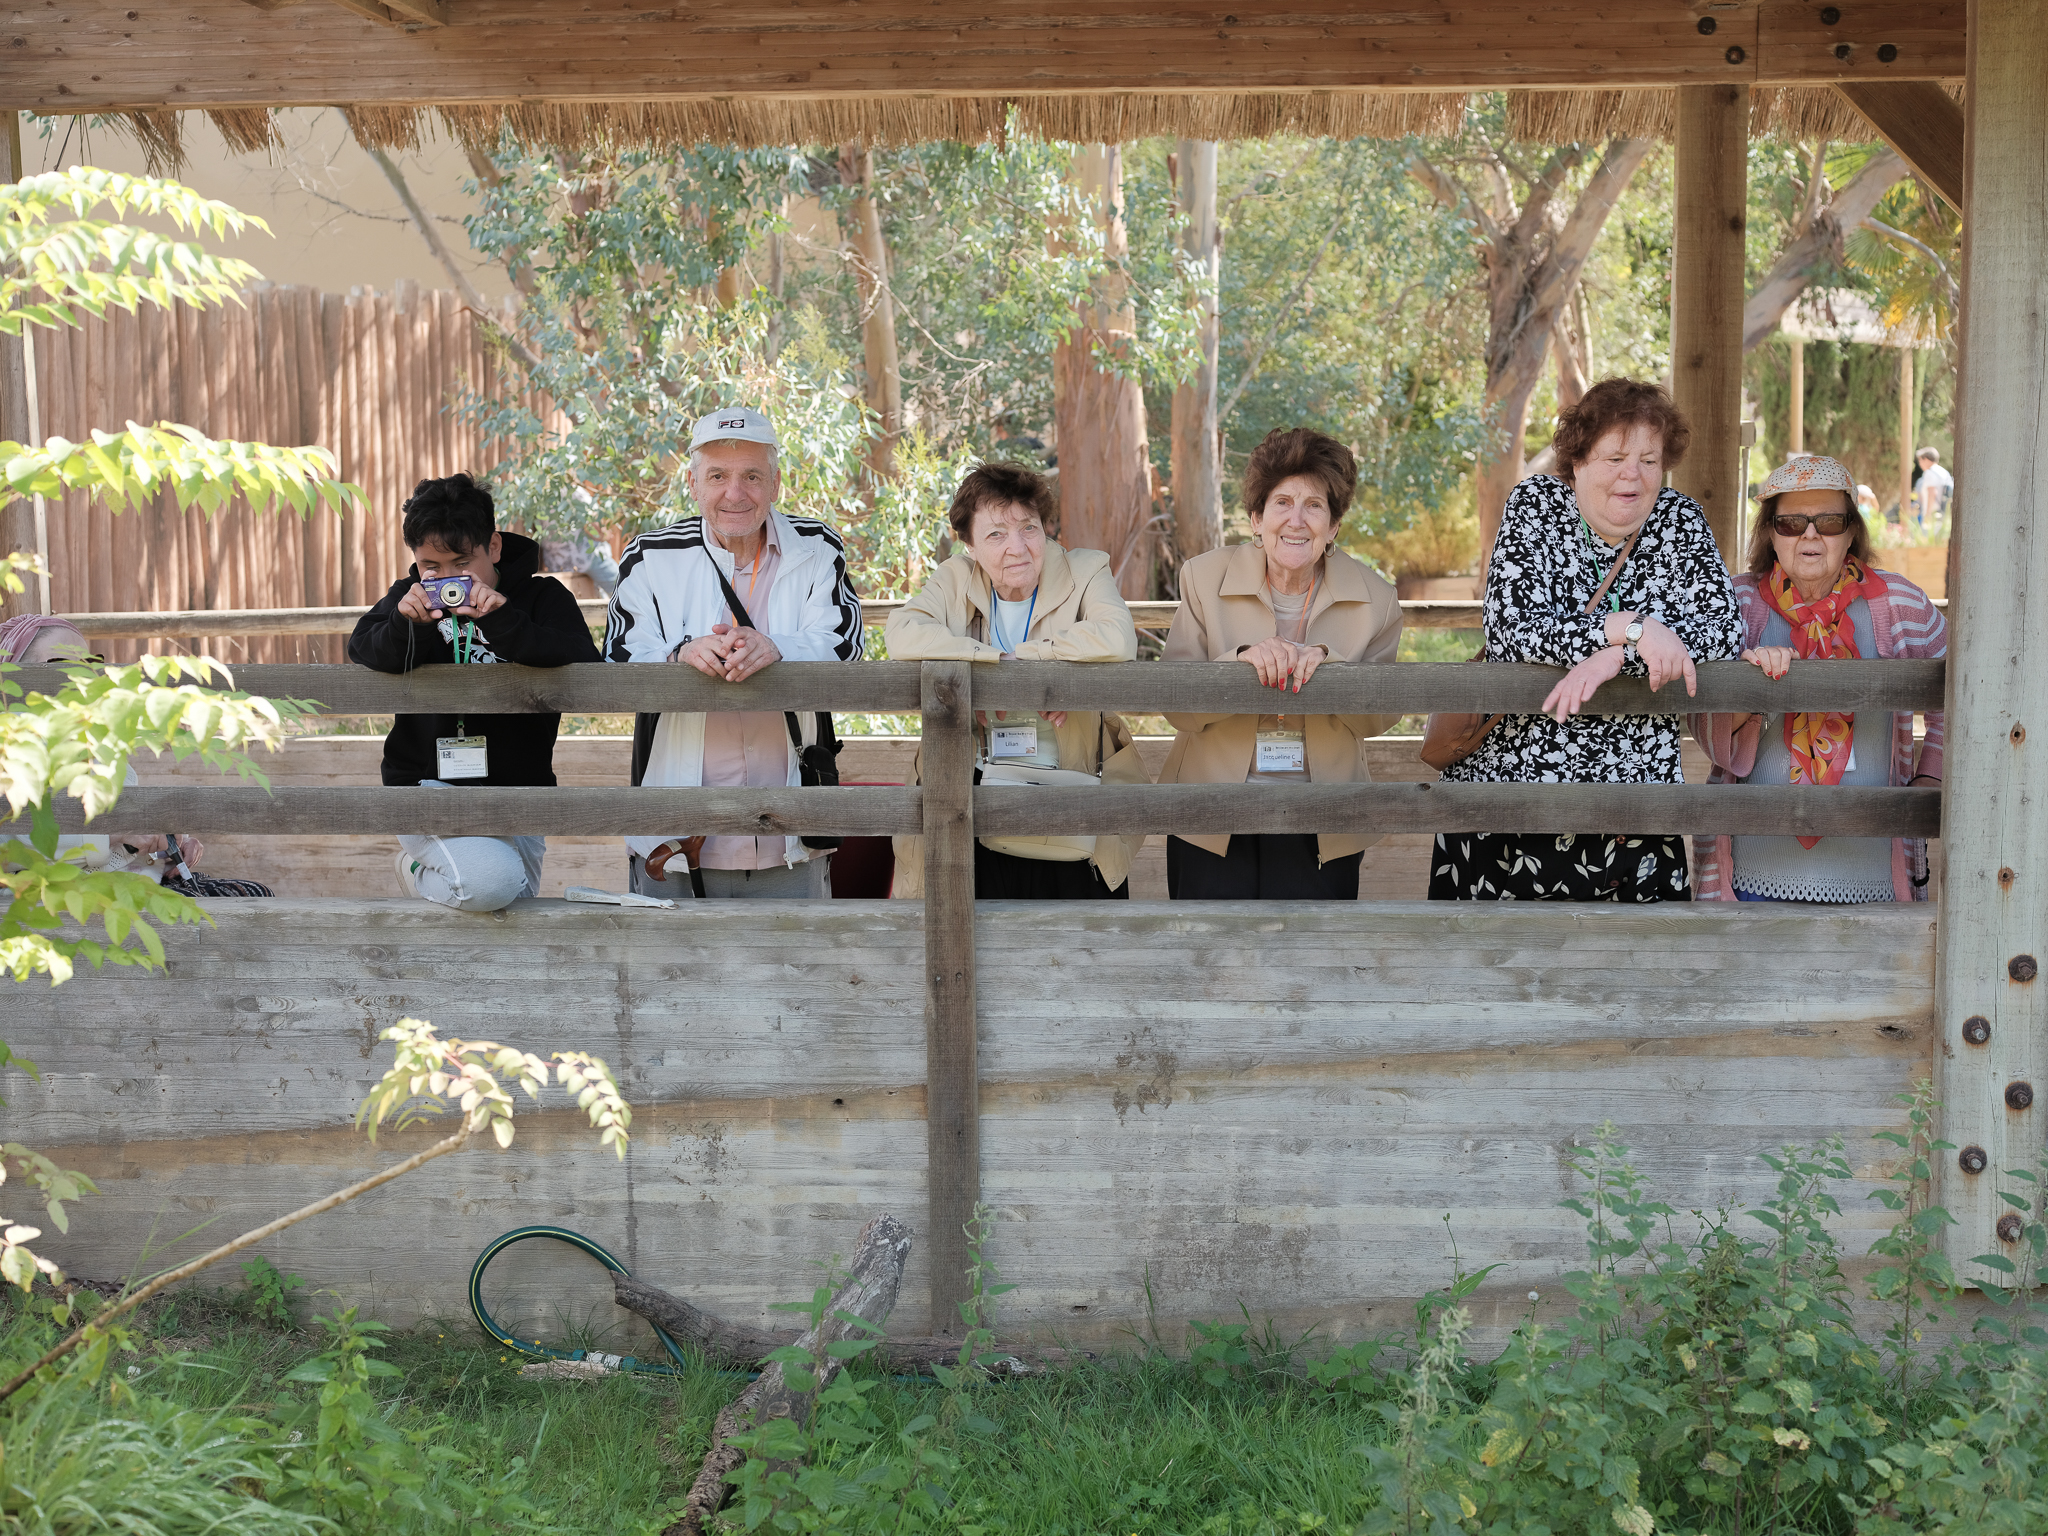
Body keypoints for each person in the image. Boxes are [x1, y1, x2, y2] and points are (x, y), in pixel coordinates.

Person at [1428, 377, 1744, 902]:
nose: (1633, 475)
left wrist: (1616, 659)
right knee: (1498, 975)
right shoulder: (1536, 508)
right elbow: (1512, 628)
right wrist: (1632, 630)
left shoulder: (1680, 519)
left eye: (1648, 460)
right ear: (1577, 462)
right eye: (1615, 457)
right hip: (1516, 799)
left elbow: (1721, 632)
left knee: (1632, 976)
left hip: (1636, 805)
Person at [604, 406, 863, 899]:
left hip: (791, 829)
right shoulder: (651, 555)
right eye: (718, 476)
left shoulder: (818, 547)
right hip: (679, 839)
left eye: (752, 476)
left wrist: (776, 647)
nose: (735, 493)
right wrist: (681, 655)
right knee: (670, 976)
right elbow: (618, 653)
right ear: (693, 483)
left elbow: (846, 645)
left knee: (796, 975)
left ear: (776, 483)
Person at [1159, 427, 1402, 899]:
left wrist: (1329, 672)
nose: (1297, 520)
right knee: (1212, 964)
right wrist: (1240, 662)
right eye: (1282, 503)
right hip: (1212, 813)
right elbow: (1177, 706)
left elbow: (1378, 718)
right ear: (1256, 518)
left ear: (1332, 526)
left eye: (1314, 505)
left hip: (1321, 819)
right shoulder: (1203, 578)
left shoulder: (1378, 599)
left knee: (1309, 966)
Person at [886, 461, 1148, 898]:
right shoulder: (955, 577)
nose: (1018, 547)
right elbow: (902, 633)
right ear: (968, 544)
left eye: (1029, 528)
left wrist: (1040, 670)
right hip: (971, 791)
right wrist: (988, 667)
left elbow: (1117, 637)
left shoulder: (1085, 571)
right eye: (995, 534)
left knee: (1082, 949)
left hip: (1075, 782)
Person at [1689, 454, 1945, 903]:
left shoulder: (1900, 602)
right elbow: (1705, 731)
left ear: (1851, 532)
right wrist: (1754, 688)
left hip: (1875, 879)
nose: (1809, 535)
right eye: (1790, 523)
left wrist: (1933, 776)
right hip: (1750, 877)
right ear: (1770, 532)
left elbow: (1962, 692)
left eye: (1828, 521)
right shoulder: (1736, 601)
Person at [349, 473, 601, 912]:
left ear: (495, 547)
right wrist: (408, 625)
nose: (448, 580)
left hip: (520, 791)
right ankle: (415, 870)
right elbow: (362, 648)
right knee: (489, 885)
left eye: (463, 564)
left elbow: (584, 663)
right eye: (432, 567)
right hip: (425, 786)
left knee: (511, 908)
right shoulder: (409, 598)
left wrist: (503, 621)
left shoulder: (541, 597)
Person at [0, 614, 226, 885]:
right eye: (61, 663)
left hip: (139, 886)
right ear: (13, 672)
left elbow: (135, 832)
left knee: (253, 895)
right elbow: (12, 845)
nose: (81, 676)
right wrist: (117, 832)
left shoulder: (94, 744)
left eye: (89, 665)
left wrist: (171, 844)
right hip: (70, 904)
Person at [1915, 447, 1954, 530]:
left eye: (1920, 460)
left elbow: (1932, 493)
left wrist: (1928, 514)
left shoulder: (1930, 473)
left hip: (1933, 514)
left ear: (1926, 459)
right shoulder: (1944, 472)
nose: (1920, 464)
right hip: (1944, 513)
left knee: (1928, 540)